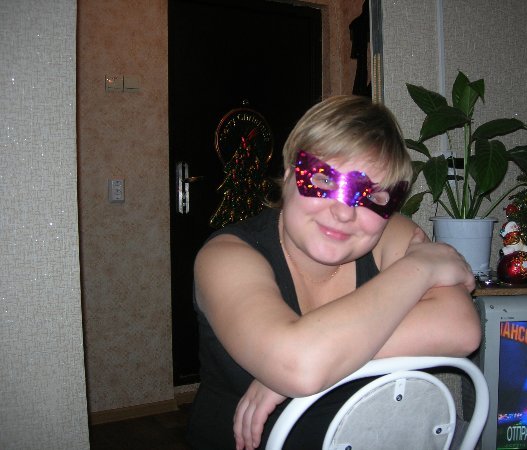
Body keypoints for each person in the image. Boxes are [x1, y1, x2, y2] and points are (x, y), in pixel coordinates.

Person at [186, 95, 481, 450]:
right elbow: (300, 365)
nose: (343, 213)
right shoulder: (224, 257)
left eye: (373, 196)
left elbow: (462, 328)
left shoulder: (390, 236)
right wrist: (423, 267)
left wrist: (319, 360)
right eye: (325, 180)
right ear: (290, 174)